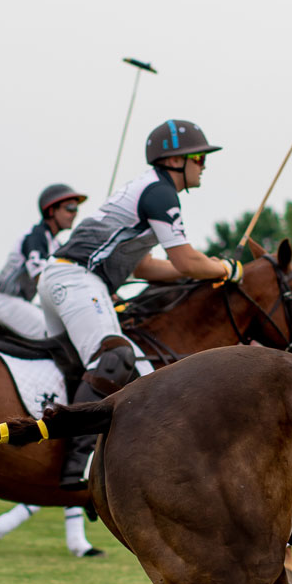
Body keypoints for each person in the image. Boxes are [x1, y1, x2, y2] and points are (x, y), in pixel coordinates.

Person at [37, 119, 241, 486]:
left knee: (83, 366)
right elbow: (186, 260)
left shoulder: (146, 188)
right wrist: (226, 267)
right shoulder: (161, 194)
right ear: (175, 161)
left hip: (63, 278)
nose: (204, 165)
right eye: (199, 157)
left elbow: (147, 266)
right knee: (114, 357)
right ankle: (77, 461)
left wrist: (193, 270)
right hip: (78, 278)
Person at [0, 184, 88, 342]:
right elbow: (42, 279)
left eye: (76, 209)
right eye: (70, 208)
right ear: (51, 211)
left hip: (19, 301)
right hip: (2, 299)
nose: (74, 214)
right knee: (51, 332)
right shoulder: (35, 237)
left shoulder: (56, 244)